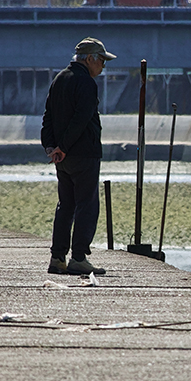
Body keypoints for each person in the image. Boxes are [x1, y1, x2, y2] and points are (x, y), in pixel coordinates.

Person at [41, 37, 115, 275]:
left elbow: (47, 118)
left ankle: (57, 258)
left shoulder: (59, 79)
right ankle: (79, 257)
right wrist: (62, 146)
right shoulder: (86, 83)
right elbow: (81, 119)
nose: (103, 66)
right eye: (102, 60)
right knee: (86, 205)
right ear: (90, 59)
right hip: (83, 155)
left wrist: (51, 148)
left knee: (66, 206)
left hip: (62, 159)